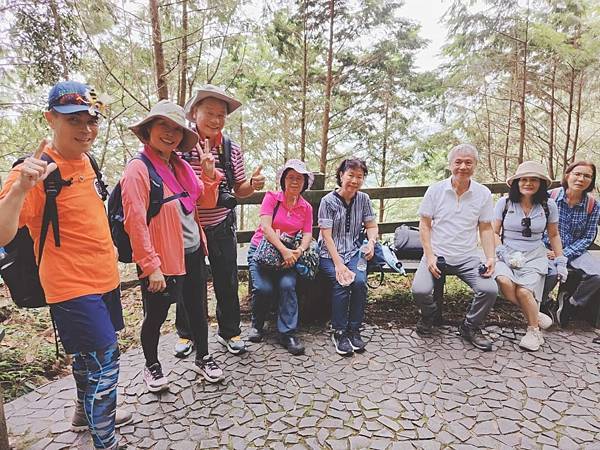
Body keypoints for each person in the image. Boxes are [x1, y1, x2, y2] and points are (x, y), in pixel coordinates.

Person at [0, 81, 131, 450]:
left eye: (92, 120)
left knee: (89, 361)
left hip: (104, 279)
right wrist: (21, 189)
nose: (86, 129)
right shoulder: (35, 172)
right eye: (74, 120)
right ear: (50, 118)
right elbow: (2, 230)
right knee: (105, 367)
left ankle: (81, 412)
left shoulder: (87, 160)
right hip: (71, 286)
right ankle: (106, 441)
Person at [121, 100, 224, 391]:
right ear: (148, 129)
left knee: (197, 308)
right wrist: (150, 266)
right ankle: (152, 366)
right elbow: (135, 222)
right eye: (163, 126)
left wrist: (207, 173)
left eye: (176, 129)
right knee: (155, 315)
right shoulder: (137, 170)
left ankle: (203, 357)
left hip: (191, 252)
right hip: (161, 260)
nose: (170, 134)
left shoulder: (180, 166)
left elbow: (204, 202)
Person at [178, 84, 265, 356]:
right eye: (210, 113)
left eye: (221, 115)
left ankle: (230, 331)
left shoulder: (231, 149)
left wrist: (252, 184)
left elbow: (238, 189)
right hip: (187, 226)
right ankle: (187, 333)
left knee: (227, 280)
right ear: (194, 113)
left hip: (221, 224)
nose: (216, 120)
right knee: (188, 281)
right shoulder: (180, 145)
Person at [412, 144, 497, 351]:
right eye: (458, 162)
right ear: (451, 164)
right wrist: (429, 255)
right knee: (419, 290)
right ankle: (429, 316)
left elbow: (485, 228)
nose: (463, 166)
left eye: (468, 162)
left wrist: (490, 257)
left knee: (489, 289)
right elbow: (425, 224)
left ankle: (470, 326)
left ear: (475, 165)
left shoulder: (483, 193)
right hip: (437, 254)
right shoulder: (436, 190)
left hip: (467, 257)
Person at [493, 161, 565, 352]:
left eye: (533, 180)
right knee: (504, 281)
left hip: (535, 255)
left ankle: (534, 330)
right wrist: (503, 254)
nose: (528, 183)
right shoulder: (505, 203)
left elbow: (554, 235)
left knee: (525, 291)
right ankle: (535, 313)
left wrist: (560, 261)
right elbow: (492, 233)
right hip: (506, 252)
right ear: (516, 182)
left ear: (541, 183)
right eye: (523, 179)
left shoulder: (548, 206)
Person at [246, 159, 314, 355]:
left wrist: (298, 251)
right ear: (283, 180)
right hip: (262, 251)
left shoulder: (306, 207)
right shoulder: (272, 198)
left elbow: (308, 233)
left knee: (287, 285)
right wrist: (284, 250)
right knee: (263, 288)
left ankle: (288, 334)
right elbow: (266, 227)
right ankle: (257, 325)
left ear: (305, 183)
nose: (295, 182)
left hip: (289, 256)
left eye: (299, 178)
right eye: (291, 177)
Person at [318, 158, 378, 356]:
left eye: (359, 177)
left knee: (359, 282)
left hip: (354, 251)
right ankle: (339, 331)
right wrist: (338, 265)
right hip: (329, 254)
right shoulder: (327, 202)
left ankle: (354, 329)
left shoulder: (364, 200)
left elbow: (371, 226)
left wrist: (370, 243)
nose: (354, 180)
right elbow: (326, 235)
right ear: (341, 175)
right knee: (342, 281)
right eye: (350, 175)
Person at [541, 161, 600, 327]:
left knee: (597, 275)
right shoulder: (548, 197)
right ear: (568, 175)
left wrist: (563, 253)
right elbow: (535, 225)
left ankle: (571, 304)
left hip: (575, 251)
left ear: (591, 180)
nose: (581, 179)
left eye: (587, 176)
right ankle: (545, 302)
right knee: (548, 273)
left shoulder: (592, 205)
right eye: (577, 174)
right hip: (545, 249)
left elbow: (588, 237)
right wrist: (541, 249)